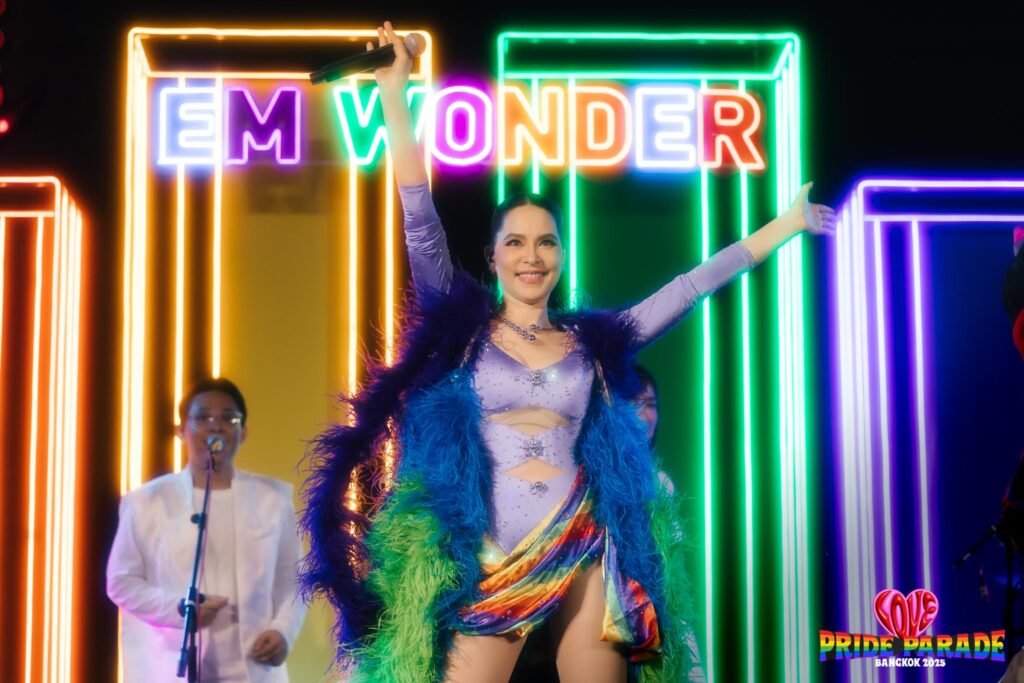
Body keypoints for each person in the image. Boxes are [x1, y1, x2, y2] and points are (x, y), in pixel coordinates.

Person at [300, 21, 836, 683]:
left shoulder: (592, 343)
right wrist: (393, 92)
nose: (532, 256)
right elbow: (419, 217)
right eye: (516, 242)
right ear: (493, 256)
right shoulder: (464, 334)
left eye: (546, 241)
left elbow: (690, 287)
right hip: (490, 554)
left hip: (581, 535)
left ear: (560, 254)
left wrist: (787, 224)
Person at [107, 377, 307, 683]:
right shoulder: (147, 502)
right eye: (203, 417)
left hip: (253, 669)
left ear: (243, 432)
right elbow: (121, 582)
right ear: (181, 430)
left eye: (229, 418)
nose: (216, 426)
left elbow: (294, 581)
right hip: (170, 667)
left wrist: (283, 631)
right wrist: (179, 610)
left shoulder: (272, 500)